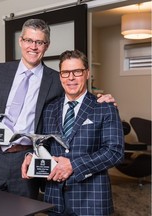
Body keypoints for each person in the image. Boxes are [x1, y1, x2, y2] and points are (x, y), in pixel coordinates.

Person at [0, 19, 115, 199]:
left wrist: (100, 99)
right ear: (21, 41)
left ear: (47, 45)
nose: (33, 47)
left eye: (40, 42)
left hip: (28, 161)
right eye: (29, 40)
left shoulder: (56, 80)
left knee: (23, 211)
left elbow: (77, 94)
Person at [22, 50, 124, 215]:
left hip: (92, 200)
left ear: (87, 73)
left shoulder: (105, 107)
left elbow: (115, 152)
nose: (71, 78)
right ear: (60, 75)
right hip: (54, 198)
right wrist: (31, 157)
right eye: (65, 72)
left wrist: (73, 165)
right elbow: (43, 145)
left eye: (77, 72)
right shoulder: (49, 109)